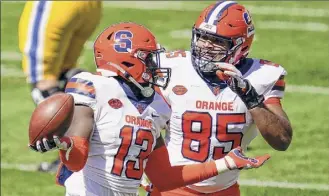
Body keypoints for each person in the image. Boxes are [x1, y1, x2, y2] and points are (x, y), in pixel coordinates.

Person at [29, 22, 270, 196]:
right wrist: (63, 145)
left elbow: (163, 177)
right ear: (127, 60)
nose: (155, 65)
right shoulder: (93, 86)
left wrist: (227, 162)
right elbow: (76, 159)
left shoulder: (157, 104)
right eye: (148, 58)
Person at [145, 1, 293, 195]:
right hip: (173, 186)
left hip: (225, 189)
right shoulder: (172, 68)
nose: (206, 46)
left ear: (241, 45)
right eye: (202, 37)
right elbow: (142, 122)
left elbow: (282, 140)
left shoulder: (261, 76)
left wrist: (250, 98)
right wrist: (145, 170)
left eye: (217, 41)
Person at [18, 1, 102, 172]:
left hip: (55, 6)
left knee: (43, 82)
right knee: (68, 76)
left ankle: (75, 153)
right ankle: (102, 146)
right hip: (91, 7)